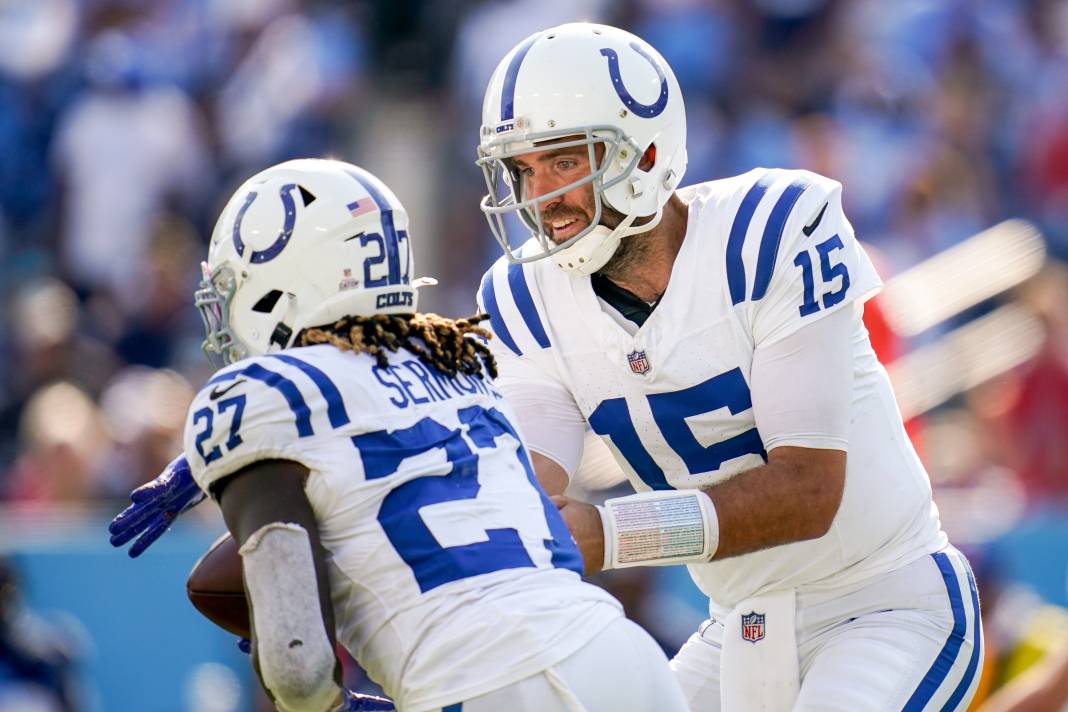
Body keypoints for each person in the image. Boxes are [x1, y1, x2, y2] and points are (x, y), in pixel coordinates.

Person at [473, 22, 983, 712]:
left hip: (884, 603)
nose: (542, 198)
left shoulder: (771, 230)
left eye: (564, 162)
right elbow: (533, 494)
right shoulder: (523, 296)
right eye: (523, 170)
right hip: (741, 626)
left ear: (645, 152)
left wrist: (611, 534)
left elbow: (809, 490)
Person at [114, 158, 688, 712]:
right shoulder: (461, 362)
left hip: (489, 680)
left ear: (280, 286)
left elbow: (300, 671)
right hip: (622, 654)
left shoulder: (252, 398)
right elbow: (364, 411)